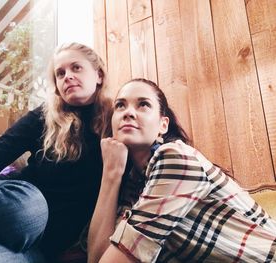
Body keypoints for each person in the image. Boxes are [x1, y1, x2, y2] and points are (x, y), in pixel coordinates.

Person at [0, 42, 112, 263]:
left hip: (40, 248)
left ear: (99, 75)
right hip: (11, 206)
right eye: (60, 73)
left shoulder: (117, 124)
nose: (67, 77)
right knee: (27, 208)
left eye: (76, 68)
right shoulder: (44, 117)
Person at [88, 78, 276, 263]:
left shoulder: (175, 157)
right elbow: (96, 257)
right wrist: (111, 175)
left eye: (143, 104)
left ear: (163, 125)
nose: (128, 112)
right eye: (120, 105)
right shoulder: (134, 184)